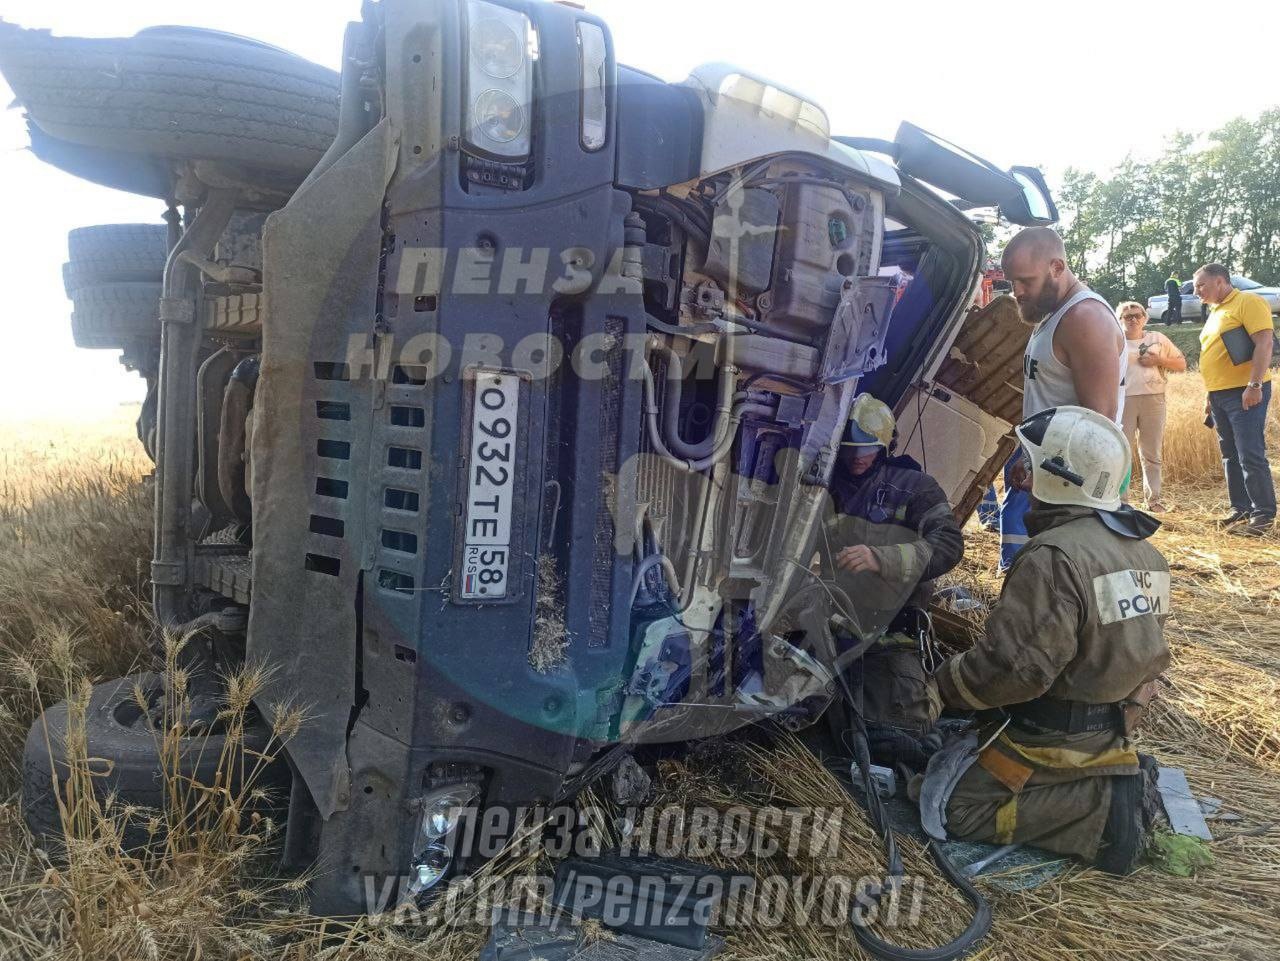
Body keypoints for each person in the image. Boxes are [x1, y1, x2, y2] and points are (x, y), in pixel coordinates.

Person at [917, 406, 1170, 873]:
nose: (1020, 476)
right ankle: (1107, 778)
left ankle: (1099, 810)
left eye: (1029, 464)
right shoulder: (1143, 549)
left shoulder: (1052, 556)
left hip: (1054, 737)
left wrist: (941, 686)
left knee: (954, 807)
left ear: (1060, 475)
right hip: (1110, 724)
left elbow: (1016, 670)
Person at [822, 394, 964, 768]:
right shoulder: (823, 485)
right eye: (849, 448)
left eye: (866, 448)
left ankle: (933, 688)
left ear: (886, 445)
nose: (856, 458)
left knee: (901, 733)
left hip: (889, 635)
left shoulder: (915, 486)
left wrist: (881, 559)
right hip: (828, 629)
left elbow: (948, 545)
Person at [995, 226, 1126, 569]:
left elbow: (1100, 423)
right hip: (1052, 479)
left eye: (1025, 280)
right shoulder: (1053, 313)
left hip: (1074, 490)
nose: (1017, 292)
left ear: (1056, 267)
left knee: (1065, 577)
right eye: (1012, 282)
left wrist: (1050, 470)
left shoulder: (1084, 318)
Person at [1195, 263, 1276, 535]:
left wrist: (1254, 385)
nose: (1197, 292)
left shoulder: (1248, 302)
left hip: (1244, 391)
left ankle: (1263, 514)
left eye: (1201, 285)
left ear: (1220, 281)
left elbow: (1265, 342)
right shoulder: (1216, 311)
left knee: (1250, 453)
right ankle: (1240, 509)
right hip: (1220, 395)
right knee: (1230, 454)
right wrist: (1210, 394)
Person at [1119, 300, 1187, 511]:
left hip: (1153, 398)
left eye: (1137, 315)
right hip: (1124, 400)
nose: (1133, 319)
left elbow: (1181, 364)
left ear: (1145, 318)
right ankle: (1121, 501)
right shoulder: (1115, 341)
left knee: (1151, 452)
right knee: (1122, 452)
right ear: (1119, 320)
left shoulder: (1157, 338)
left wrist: (1159, 361)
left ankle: (1154, 500)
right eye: (1127, 316)